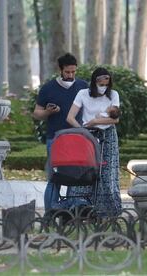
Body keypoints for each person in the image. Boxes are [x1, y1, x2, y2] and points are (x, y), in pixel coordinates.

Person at [33, 53, 88, 211]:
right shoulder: (48, 88)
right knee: (55, 177)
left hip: (78, 138)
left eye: (73, 72)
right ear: (60, 70)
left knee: (76, 177)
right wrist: (48, 112)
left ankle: (70, 212)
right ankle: (50, 213)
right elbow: (37, 113)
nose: (71, 75)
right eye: (67, 72)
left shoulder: (83, 86)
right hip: (55, 139)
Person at [66, 67, 122, 217]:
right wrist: (83, 130)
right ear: (94, 82)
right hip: (88, 135)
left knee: (107, 172)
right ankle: (81, 206)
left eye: (106, 84)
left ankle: (108, 211)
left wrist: (96, 121)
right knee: (85, 171)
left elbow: (115, 118)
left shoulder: (113, 95)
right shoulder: (83, 94)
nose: (103, 87)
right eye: (100, 84)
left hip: (107, 135)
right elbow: (70, 117)